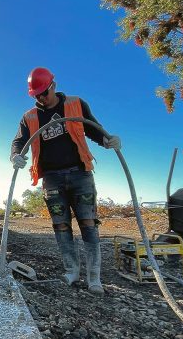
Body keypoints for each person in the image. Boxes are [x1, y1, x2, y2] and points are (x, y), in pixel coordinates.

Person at [10, 67, 121, 295]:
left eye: (44, 93)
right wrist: (16, 156)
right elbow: (19, 141)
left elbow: (92, 128)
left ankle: (94, 278)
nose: (41, 98)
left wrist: (108, 140)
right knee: (61, 226)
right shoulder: (30, 117)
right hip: (51, 179)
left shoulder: (75, 104)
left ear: (53, 85)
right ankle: (71, 272)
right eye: (36, 95)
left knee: (88, 224)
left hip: (80, 174)